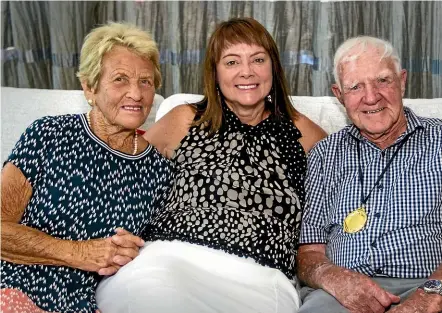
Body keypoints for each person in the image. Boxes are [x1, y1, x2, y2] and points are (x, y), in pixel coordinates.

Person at [95, 17, 326, 313]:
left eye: (258, 59)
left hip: (261, 278)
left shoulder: (306, 135)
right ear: (214, 73)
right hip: (168, 261)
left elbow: (343, 201)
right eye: (231, 62)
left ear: (274, 67)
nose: (247, 71)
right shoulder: (185, 120)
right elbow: (127, 178)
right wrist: (113, 236)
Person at [0, 22, 173, 313]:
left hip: (79, 304)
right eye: (120, 79)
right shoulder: (49, 135)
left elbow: (151, 252)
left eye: (146, 81)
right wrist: (79, 252)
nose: (136, 93)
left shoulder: (159, 171)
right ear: (89, 87)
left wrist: (131, 253)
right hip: (10, 286)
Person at [297, 36, 442, 313]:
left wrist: (432, 293)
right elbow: (309, 253)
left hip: (426, 286)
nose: (371, 96)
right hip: (342, 294)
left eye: (383, 81)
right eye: (355, 87)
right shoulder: (324, 155)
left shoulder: (439, 139)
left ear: (402, 81)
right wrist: (334, 277)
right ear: (339, 96)